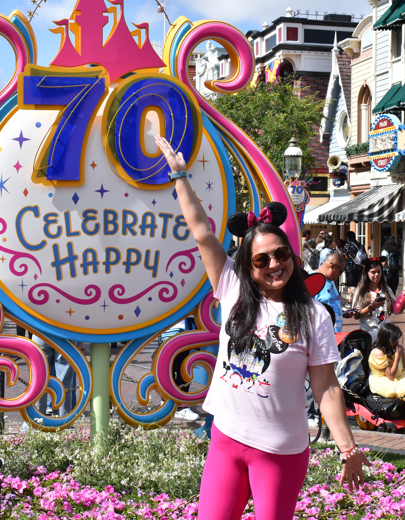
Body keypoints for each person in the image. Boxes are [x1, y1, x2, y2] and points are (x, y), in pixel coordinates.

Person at [155, 135, 369, 518]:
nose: (274, 264)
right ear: (248, 267)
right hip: (226, 439)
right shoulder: (232, 288)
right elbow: (202, 231)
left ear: (291, 255)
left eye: (280, 254)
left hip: (279, 451)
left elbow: (326, 387)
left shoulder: (313, 315)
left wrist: (347, 447)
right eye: (261, 260)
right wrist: (179, 175)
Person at [351, 259, 397, 342]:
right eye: (373, 272)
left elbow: (396, 310)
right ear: (367, 273)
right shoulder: (361, 291)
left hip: (385, 334)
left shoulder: (386, 289)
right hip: (368, 335)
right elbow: (356, 316)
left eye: (379, 272)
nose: (377, 274)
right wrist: (371, 307)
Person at [315, 252, 347, 333]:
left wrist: (342, 313)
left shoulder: (330, 280)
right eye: (341, 271)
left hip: (334, 334)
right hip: (321, 334)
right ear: (333, 267)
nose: (340, 275)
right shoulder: (313, 279)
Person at [342, 232, 366, 299]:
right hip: (359, 267)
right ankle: (352, 300)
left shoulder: (347, 245)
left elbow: (344, 256)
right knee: (358, 284)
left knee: (352, 285)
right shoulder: (360, 245)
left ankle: (356, 299)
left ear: (348, 238)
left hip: (350, 268)